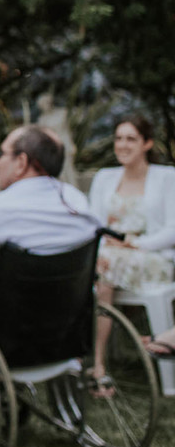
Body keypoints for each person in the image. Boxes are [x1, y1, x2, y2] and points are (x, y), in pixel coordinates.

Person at [0, 125, 101, 318]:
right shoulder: (78, 202)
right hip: (66, 330)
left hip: (5, 333)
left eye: (2, 154)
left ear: (21, 162)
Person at [86, 115, 175, 364]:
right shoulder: (104, 177)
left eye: (131, 139)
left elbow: (172, 229)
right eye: (118, 138)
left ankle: (98, 363)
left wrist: (135, 244)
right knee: (96, 264)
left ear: (146, 144)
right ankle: (78, 351)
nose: (123, 145)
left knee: (103, 267)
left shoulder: (167, 177)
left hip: (153, 257)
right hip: (108, 254)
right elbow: (94, 224)